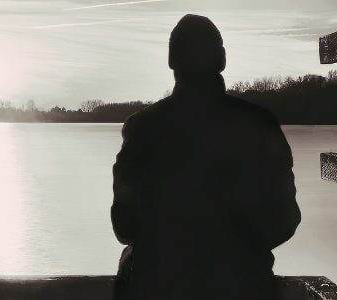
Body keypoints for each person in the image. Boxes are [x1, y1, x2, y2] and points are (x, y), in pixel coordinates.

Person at [111, 14, 301, 299]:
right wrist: (237, 252)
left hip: (159, 287)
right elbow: (285, 220)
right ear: (222, 60)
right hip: (244, 285)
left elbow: (124, 226)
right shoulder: (260, 125)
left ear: (171, 61)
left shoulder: (142, 129)